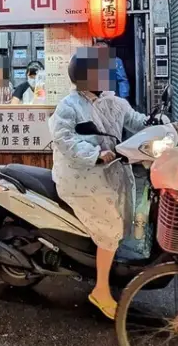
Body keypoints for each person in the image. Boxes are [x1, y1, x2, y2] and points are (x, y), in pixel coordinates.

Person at [48, 46, 149, 320]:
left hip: (109, 173)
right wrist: (95, 154)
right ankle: (101, 290)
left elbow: (135, 120)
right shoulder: (69, 106)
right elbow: (64, 139)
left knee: (121, 218)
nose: (109, 74)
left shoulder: (113, 101)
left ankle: (106, 268)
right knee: (111, 225)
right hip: (81, 176)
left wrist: (156, 122)